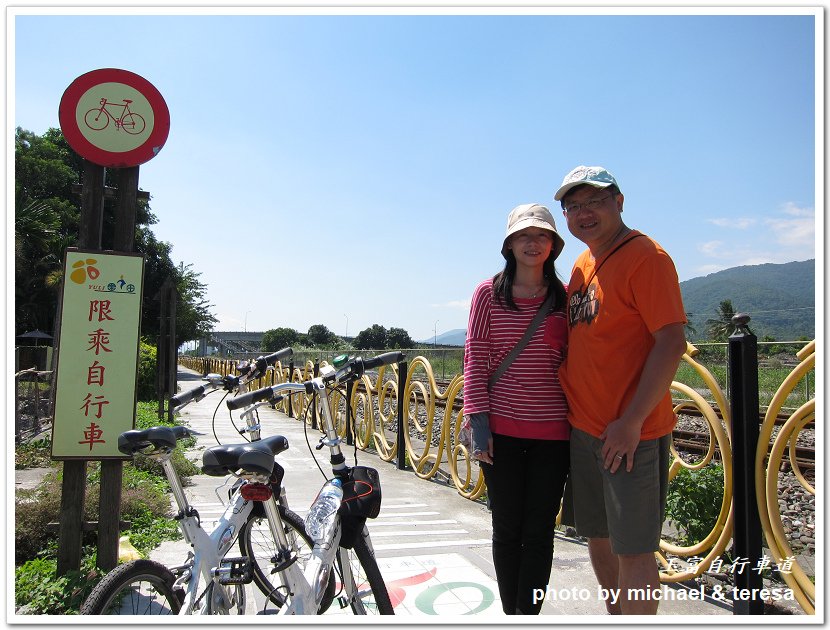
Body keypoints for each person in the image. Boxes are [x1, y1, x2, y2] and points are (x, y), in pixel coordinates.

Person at [554, 165, 687, 614]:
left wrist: (630, 422)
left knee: (634, 549)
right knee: (598, 535)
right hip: (585, 428)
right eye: (573, 206)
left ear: (619, 202)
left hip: (632, 433)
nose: (583, 213)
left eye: (594, 201)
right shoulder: (581, 263)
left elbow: (672, 341)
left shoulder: (647, 257)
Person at [462, 203, 570, 615]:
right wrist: (479, 424)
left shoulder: (564, 298)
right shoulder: (488, 294)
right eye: (524, 235)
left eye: (542, 235)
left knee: (541, 532)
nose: (532, 242)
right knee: (507, 528)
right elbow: (475, 358)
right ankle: (513, 615)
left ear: (553, 246)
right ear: (509, 244)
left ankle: (531, 615)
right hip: (501, 433)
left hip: (554, 434)